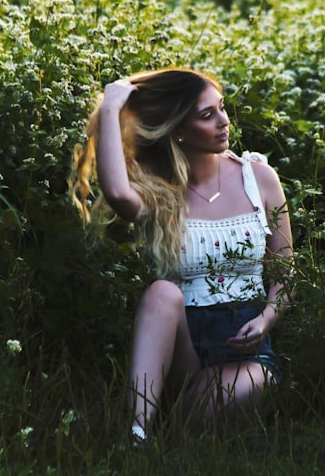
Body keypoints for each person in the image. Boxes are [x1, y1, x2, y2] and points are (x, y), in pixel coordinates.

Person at [69, 68, 293, 443]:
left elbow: (286, 274)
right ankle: (138, 434)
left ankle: (174, 424)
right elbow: (120, 195)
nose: (224, 122)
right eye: (207, 116)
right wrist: (110, 107)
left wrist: (267, 319)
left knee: (231, 396)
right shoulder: (161, 191)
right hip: (181, 352)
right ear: (178, 130)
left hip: (246, 353)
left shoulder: (260, 178)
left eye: (221, 108)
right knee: (162, 291)